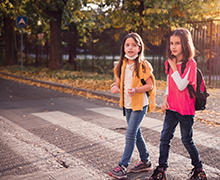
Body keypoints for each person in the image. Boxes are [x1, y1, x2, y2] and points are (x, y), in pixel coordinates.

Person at [147, 28, 207, 180]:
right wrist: (165, 97)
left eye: (177, 43)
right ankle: (161, 169)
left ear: (185, 45)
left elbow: (181, 85)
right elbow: (170, 83)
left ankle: (199, 169)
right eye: (172, 43)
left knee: (187, 140)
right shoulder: (170, 63)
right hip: (172, 107)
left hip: (185, 109)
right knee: (164, 138)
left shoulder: (190, 64)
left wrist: (174, 67)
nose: (173, 46)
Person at [109, 32, 156, 179]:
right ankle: (146, 161)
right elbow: (117, 84)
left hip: (139, 105)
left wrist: (136, 90)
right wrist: (114, 88)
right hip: (127, 105)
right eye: (127, 45)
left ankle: (123, 166)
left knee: (130, 134)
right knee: (136, 133)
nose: (130, 48)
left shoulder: (143, 65)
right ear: (123, 48)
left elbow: (150, 85)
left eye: (134, 45)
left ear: (139, 48)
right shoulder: (121, 65)